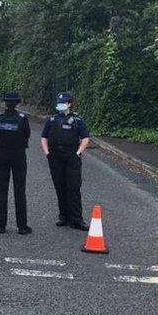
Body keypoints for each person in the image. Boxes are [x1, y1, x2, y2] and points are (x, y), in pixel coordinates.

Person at [40, 92, 91, 231]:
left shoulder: (77, 120)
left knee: (73, 187)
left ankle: (77, 219)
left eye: (63, 102)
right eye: (59, 102)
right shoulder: (51, 120)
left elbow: (85, 138)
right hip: (55, 157)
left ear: (69, 104)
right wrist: (47, 153)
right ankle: (64, 216)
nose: (60, 105)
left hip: (71, 157)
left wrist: (78, 153)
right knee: (60, 186)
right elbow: (44, 137)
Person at [0, 92, 32, 234]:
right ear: (17, 104)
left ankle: (1, 226)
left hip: (2, 155)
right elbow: (27, 134)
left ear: (5, 103)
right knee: (19, 190)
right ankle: (22, 226)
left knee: (1, 190)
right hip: (18, 156)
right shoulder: (22, 119)